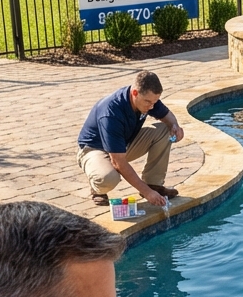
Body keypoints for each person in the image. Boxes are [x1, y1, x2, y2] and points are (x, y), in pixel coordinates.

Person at [76, 69, 185, 208]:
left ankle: (154, 184)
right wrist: (146, 193)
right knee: (108, 178)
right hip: (94, 150)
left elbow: (167, 116)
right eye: (148, 102)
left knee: (164, 130)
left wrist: (174, 126)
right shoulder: (111, 113)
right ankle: (97, 187)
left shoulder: (148, 98)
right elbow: (118, 162)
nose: (152, 106)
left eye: (155, 102)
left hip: (122, 144)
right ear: (135, 93)